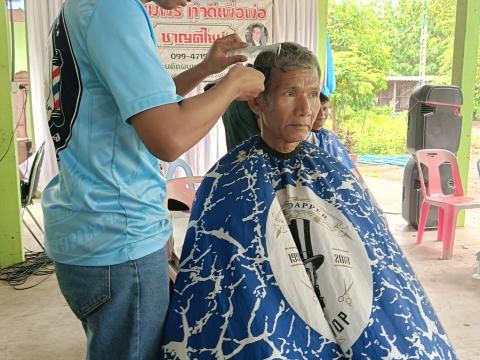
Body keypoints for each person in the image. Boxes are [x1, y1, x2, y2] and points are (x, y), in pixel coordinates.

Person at [161, 42, 456, 359]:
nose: (305, 108)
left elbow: (380, 269)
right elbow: (219, 288)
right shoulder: (229, 181)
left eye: (313, 94)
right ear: (259, 102)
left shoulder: (335, 175)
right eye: (290, 93)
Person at [42, 0, 264, 358]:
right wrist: (233, 86)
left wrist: (207, 69)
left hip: (94, 227)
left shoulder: (88, 7)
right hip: (119, 237)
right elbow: (168, 136)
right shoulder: (113, 9)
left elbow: (146, 105)